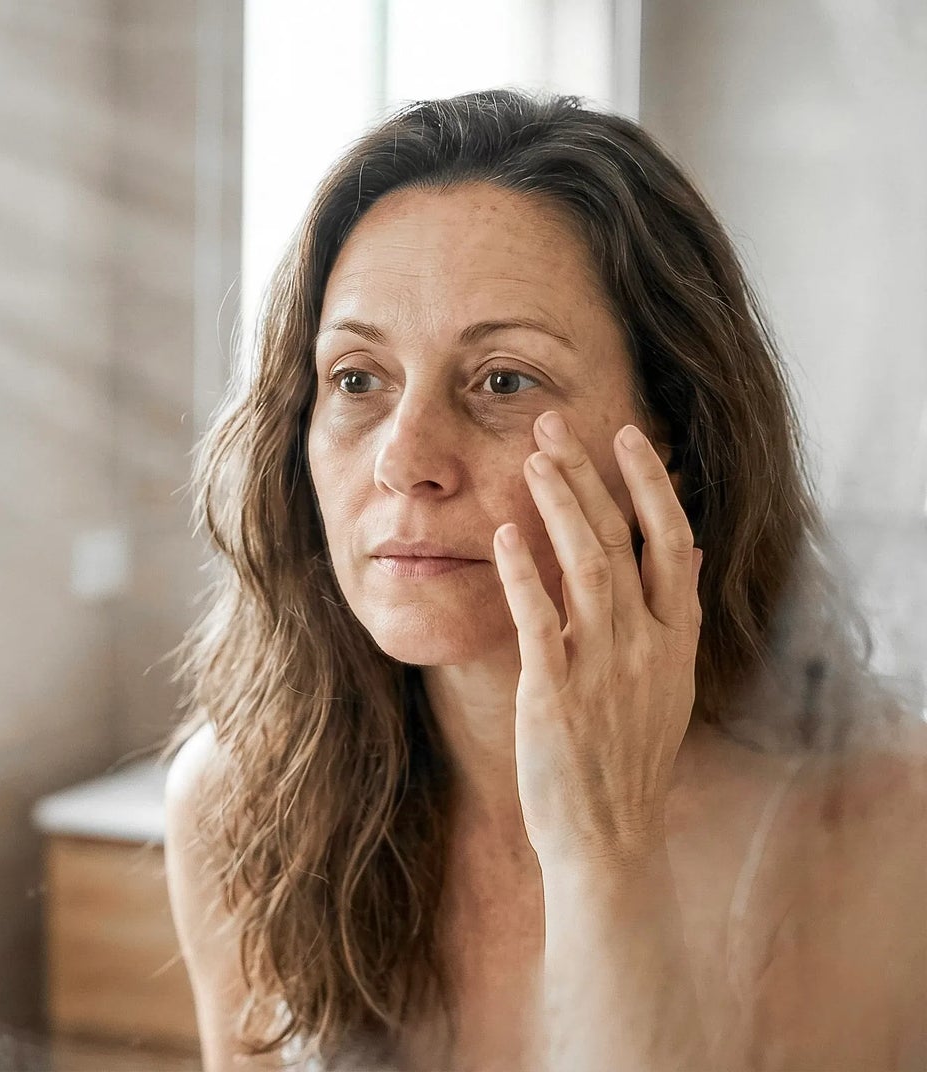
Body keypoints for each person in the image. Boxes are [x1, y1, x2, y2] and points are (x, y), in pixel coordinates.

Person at [160, 89, 927, 1071]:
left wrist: (604, 859)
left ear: (675, 443)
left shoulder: (874, 831)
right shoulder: (239, 803)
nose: (406, 459)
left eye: (503, 380)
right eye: (357, 378)